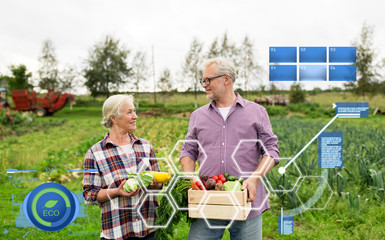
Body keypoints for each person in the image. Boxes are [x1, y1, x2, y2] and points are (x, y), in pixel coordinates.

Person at [180, 57, 280, 240]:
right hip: (207, 201)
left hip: (246, 200)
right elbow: (188, 151)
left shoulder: (257, 112)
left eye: (208, 79)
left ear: (226, 79)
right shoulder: (197, 116)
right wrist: (189, 177)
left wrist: (255, 178)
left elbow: (271, 151)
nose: (204, 85)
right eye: (203, 80)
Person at [83, 94, 162, 240]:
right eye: (129, 112)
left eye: (134, 111)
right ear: (113, 118)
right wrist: (117, 191)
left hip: (149, 229)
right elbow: (89, 195)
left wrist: (156, 184)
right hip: (117, 231)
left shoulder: (145, 146)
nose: (135, 116)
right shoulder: (95, 153)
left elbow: (157, 185)